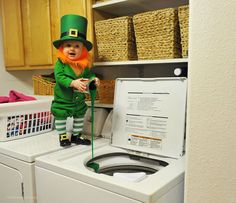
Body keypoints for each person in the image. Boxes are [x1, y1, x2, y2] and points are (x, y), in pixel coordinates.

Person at [51, 14, 100, 147]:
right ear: (62, 48)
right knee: (61, 115)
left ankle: (76, 136)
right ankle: (63, 137)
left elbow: (89, 75)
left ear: (82, 50)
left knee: (80, 116)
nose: (72, 49)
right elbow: (59, 77)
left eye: (77, 46)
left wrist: (93, 79)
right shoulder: (60, 63)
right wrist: (73, 83)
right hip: (64, 100)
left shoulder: (84, 64)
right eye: (68, 45)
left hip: (79, 100)